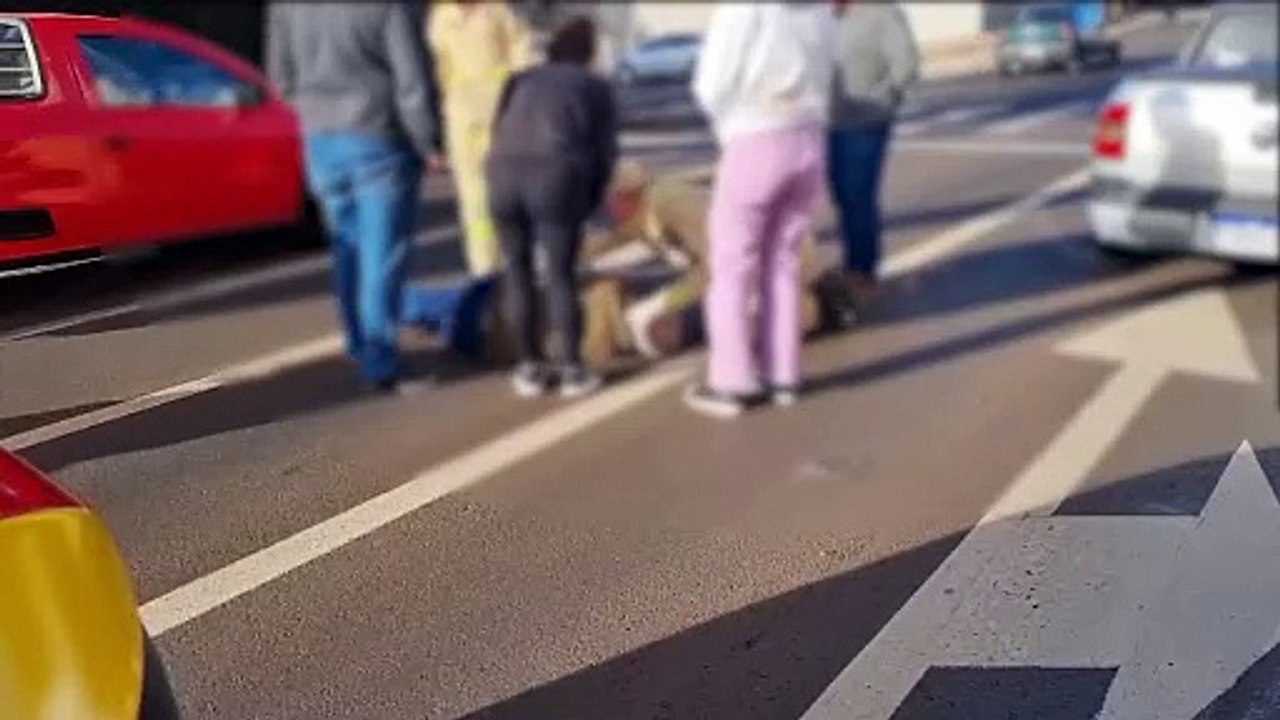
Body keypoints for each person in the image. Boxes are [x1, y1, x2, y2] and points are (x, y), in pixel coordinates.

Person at [267, 1, 441, 392]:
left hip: (320, 138)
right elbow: (411, 81)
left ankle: (360, 343)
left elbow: (281, 79)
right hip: (377, 133)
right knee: (382, 255)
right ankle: (381, 360)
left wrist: (312, 112)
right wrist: (427, 141)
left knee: (348, 246)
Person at [687, 3, 838, 418]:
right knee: (783, 262)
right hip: (809, 137)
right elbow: (828, 70)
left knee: (732, 267)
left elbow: (711, 82)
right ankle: (783, 373)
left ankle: (733, 380)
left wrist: (728, 126)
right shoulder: (820, 9)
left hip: (755, 133)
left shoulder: (744, 7)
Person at [583, 161, 856, 359]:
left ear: (627, 196)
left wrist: (660, 303)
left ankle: (817, 305)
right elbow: (608, 240)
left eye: (607, 201)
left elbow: (717, 269)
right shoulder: (638, 212)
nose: (604, 209)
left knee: (746, 330)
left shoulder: (674, 204)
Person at [486, 15, 618, 399]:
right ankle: (572, 369)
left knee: (517, 270)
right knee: (560, 273)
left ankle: (528, 366)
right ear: (589, 53)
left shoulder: (519, 79)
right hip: (554, 175)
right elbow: (604, 155)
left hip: (502, 175)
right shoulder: (594, 87)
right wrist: (589, 203)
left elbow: (499, 131)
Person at [427, 0, 536, 277]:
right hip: (464, 121)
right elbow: (437, 70)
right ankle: (485, 269)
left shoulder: (499, 11)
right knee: (474, 199)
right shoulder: (442, 17)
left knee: (508, 192)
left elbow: (524, 59)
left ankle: (514, 266)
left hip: (503, 115)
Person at [829, 0, 920, 304]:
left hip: (866, 123)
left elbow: (906, 65)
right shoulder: (826, 18)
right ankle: (852, 262)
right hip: (829, 123)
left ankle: (863, 269)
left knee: (858, 194)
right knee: (842, 195)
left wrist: (882, 100)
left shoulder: (882, 13)